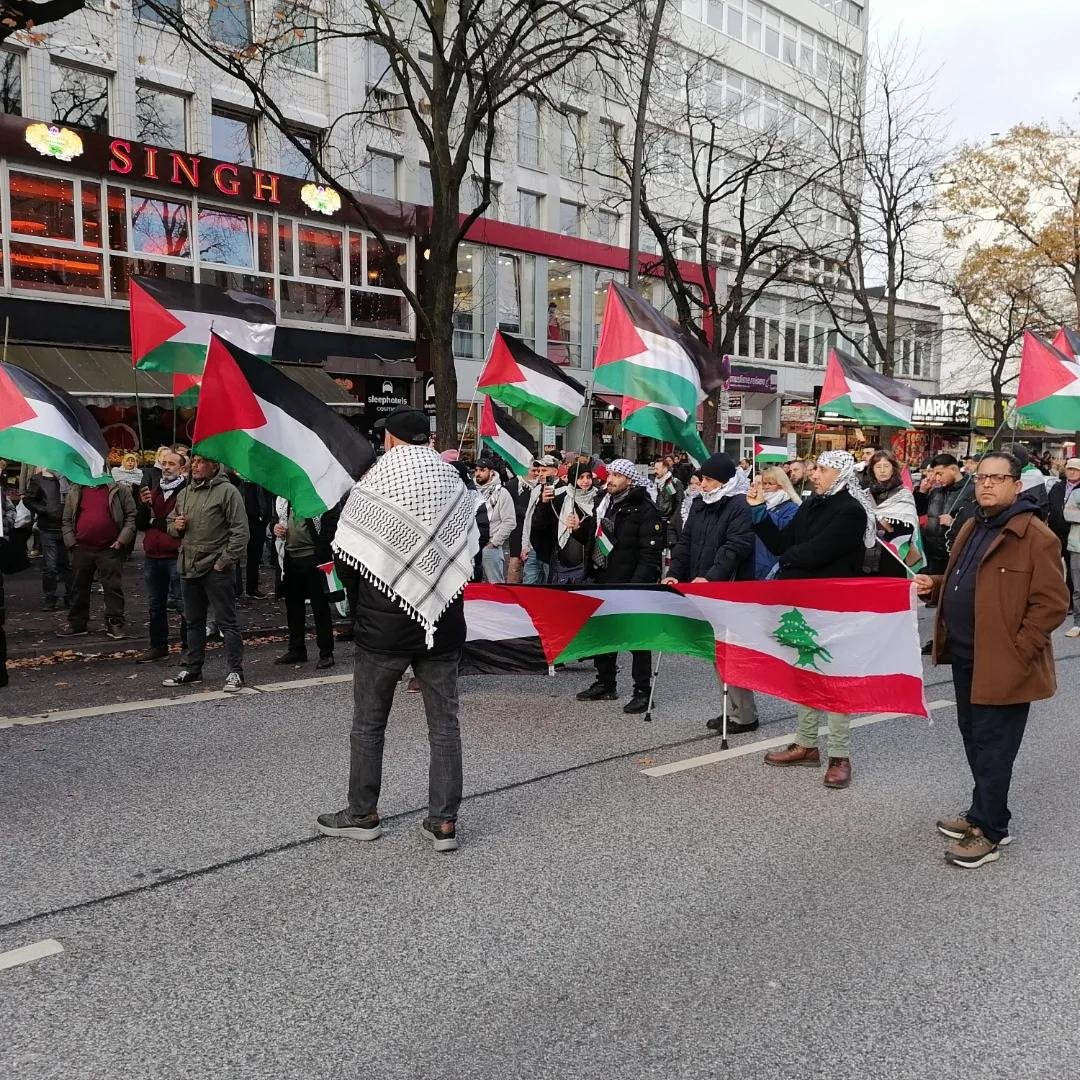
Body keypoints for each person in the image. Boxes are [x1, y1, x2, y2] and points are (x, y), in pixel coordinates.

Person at [319, 405, 479, 852]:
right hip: (442, 624)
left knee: (369, 724)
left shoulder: (373, 483)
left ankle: (361, 813)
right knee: (444, 725)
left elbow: (348, 555)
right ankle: (444, 823)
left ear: (390, 439)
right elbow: (470, 552)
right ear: (426, 438)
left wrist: (361, 603)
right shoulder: (455, 483)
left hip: (382, 629)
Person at [914, 450, 1069, 868]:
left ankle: (991, 830)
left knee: (995, 746)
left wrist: (1020, 649)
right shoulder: (971, 526)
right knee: (974, 737)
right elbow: (968, 580)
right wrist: (937, 584)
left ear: (1016, 486)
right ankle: (981, 810)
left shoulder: (1037, 536)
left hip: (1006, 663)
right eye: (981, 476)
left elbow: (1053, 604)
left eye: (997, 478)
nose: (986, 484)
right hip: (966, 656)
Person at [747, 450, 875, 788]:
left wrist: (789, 560)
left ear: (839, 473)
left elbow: (818, 552)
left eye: (821, 469)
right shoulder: (811, 504)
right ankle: (806, 744)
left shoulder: (850, 510)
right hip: (801, 602)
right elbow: (781, 544)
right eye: (814, 468)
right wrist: (758, 510)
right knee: (803, 671)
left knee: (833, 676)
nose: (813, 474)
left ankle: (839, 755)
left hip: (832, 606)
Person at [664, 453, 756, 732]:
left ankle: (745, 715)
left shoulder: (739, 505)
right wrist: (674, 573)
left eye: (709, 479)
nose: (702, 484)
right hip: (700, 584)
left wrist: (711, 577)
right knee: (716, 652)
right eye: (702, 478)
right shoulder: (700, 504)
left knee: (731, 651)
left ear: (725, 481)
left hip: (728, 585)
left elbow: (736, 546)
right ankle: (731, 710)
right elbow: (686, 542)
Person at [576, 458, 663, 714]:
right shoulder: (603, 503)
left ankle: (643, 692)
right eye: (609, 474)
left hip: (630, 581)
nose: (610, 479)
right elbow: (593, 538)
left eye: (616, 475)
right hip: (603, 578)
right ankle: (605, 682)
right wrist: (576, 530)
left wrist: (636, 587)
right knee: (603, 633)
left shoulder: (644, 509)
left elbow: (649, 554)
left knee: (637, 637)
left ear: (629, 479)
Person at [164, 454, 249, 692]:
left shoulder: (228, 492)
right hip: (189, 566)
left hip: (216, 568)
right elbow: (170, 523)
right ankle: (193, 669)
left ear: (214, 466)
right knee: (193, 622)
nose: (195, 465)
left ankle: (235, 671)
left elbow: (240, 532)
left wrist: (223, 562)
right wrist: (175, 527)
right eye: (193, 462)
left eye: (201, 461)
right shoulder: (185, 493)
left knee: (226, 623)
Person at [60, 478, 137, 639]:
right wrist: (71, 542)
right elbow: (66, 519)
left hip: (110, 547)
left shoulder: (119, 490)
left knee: (112, 587)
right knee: (78, 586)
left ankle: (114, 623)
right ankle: (77, 623)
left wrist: (122, 540)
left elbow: (131, 516)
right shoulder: (76, 490)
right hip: (82, 547)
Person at [272, 496, 341, 669]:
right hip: (290, 556)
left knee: (320, 607)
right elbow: (275, 518)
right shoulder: (284, 497)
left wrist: (321, 551)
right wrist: (274, 527)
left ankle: (326, 652)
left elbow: (332, 520)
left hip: (313, 558)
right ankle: (296, 649)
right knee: (293, 606)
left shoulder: (319, 493)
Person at [134, 448, 187, 662]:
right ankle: (158, 646)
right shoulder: (154, 491)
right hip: (153, 556)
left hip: (175, 555)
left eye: (172, 464)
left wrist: (157, 522)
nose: (166, 467)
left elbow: (181, 525)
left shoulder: (186, 491)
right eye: (164, 463)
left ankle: (188, 647)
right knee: (155, 604)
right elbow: (141, 525)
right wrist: (144, 507)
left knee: (183, 604)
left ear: (182, 468)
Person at [863, 450, 920, 576]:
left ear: (893, 469)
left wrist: (879, 523)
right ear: (872, 470)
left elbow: (908, 527)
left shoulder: (904, 495)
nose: (882, 470)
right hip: (866, 554)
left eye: (886, 466)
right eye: (878, 467)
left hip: (893, 555)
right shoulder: (865, 494)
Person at [916, 454, 975, 574]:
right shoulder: (936, 490)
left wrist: (953, 523)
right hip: (929, 554)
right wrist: (922, 492)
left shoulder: (972, 490)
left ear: (953, 469)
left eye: (940, 474)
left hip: (953, 554)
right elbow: (919, 511)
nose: (937, 478)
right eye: (934, 474)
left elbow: (975, 523)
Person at [23, 467, 71, 611]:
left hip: (67, 526)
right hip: (48, 527)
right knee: (50, 567)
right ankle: (50, 598)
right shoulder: (38, 479)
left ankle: (70, 596)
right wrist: (44, 510)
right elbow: (28, 500)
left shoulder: (68, 477)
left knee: (68, 565)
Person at [748, 466, 801, 580]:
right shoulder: (755, 503)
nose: (765, 487)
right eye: (764, 483)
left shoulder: (792, 507)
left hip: (772, 563)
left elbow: (786, 528)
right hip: (754, 561)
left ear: (781, 485)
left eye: (770, 484)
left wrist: (763, 510)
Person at [551, 466, 597, 584]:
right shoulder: (562, 498)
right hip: (566, 563)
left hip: (590, 562)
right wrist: (544, 503)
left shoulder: (598, 498)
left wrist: (578, 528)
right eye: (581, 478)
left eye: (588, 477)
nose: (585, 481)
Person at [473, 457, 516, 584]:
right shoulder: (471, 491)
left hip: (490, 546)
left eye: (482, 470)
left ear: (491, 472)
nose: (478, 473)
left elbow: (509, 521)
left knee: (496, 586)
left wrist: (494, 543)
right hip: (472, 547)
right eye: (476, 470)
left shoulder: (502, 493)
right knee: (472, 588)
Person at [521, 454, 562, 585]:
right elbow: (528, 518)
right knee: (529, 587)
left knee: (548, 589)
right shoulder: (536, 490)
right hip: (533, 548)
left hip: (551, 551)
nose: (540, 474)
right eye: (538, 471)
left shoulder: (564, 490)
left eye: (544, 470)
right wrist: (525, 545)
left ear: (555, 471)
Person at [1047, 457, 1080, 616]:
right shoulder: (1057, 487)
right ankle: (1049, 599)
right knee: (1050, 568)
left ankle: (1070, 603)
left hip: (1073, 535)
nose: (1072, 472)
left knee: (1073, 572)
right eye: (1069, 469)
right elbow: (1049, 506)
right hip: (1054, 533)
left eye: (1076, 469)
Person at [505, 462, 538, 585]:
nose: (536, 473)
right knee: (515, 561)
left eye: (538, 470)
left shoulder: (542, 485)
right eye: (533, 470)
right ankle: (512, 590)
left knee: (533, 563)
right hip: (517, 528)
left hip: (534, 528)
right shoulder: (512, 485)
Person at [1062, 461, 1080, 637]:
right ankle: (1077, 623)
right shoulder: (1075, 493)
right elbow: (1067, 513)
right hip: (1077, 545)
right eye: (1071, 469)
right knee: (1077, 587)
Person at [653, 455, 685, 549]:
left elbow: (678, 502)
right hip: (659, 519)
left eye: (657, 468)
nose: (655, 471)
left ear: (665, 468)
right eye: (654, 468)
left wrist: (673, 520)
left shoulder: (672, 483)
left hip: (668, 521)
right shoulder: (657, 482)